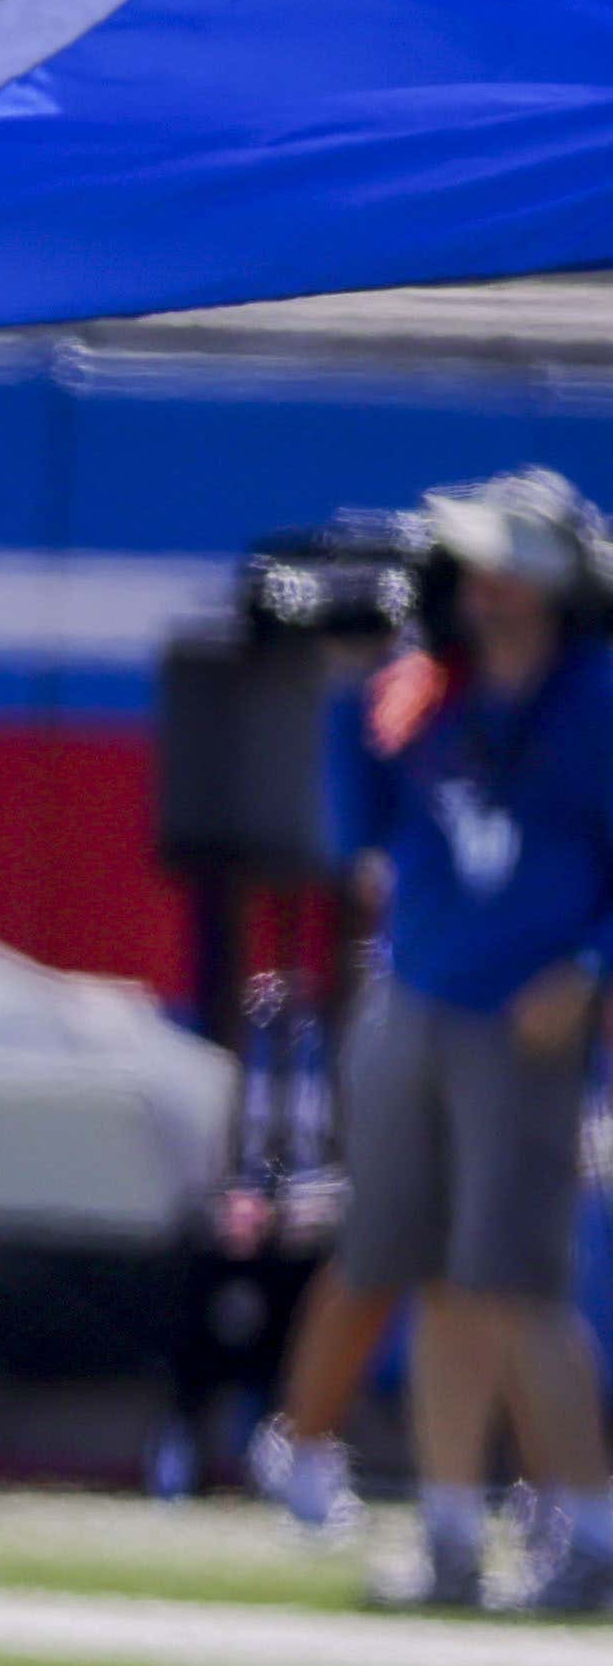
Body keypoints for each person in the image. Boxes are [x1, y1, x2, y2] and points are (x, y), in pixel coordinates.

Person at [281, 476, 613, 1605]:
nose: (485, 589)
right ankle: (449, 1529)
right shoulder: (422, 692)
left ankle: (590, 1530)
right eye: (473, 568)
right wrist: (340, 686)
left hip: (521, 1018)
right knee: (431, 1277)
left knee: (512, 1283)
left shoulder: (596, 700)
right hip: (413, 998)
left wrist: (591, 969)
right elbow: (349, 832)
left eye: (506, 567)